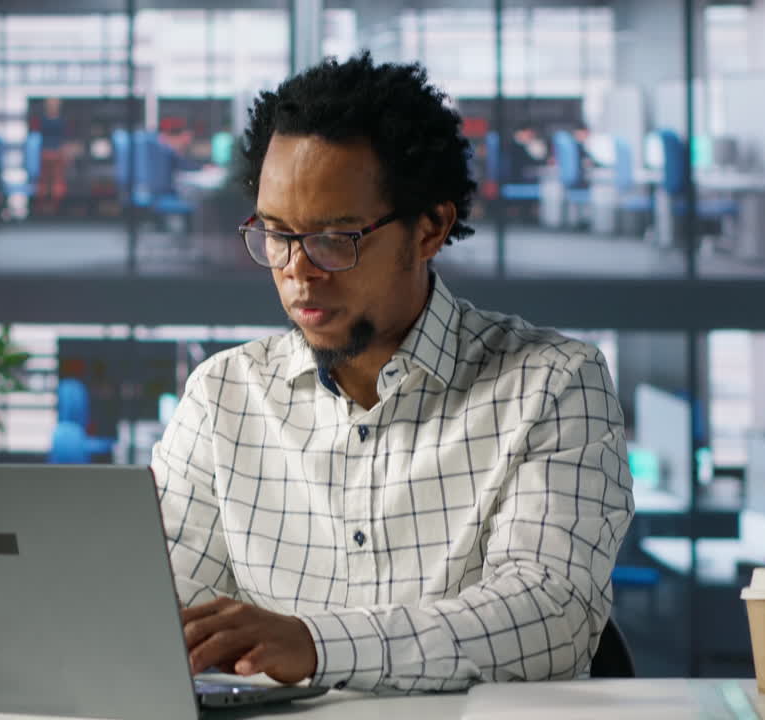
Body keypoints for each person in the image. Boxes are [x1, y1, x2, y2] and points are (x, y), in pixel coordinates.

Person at [152, 53, 634, 693]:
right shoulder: (222, 397)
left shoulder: (552, 385)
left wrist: (314, 645)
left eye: (336, 237)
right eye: (276, 234)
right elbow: (162, 613)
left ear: (431, 226)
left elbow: (549, 618)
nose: (298, 270)